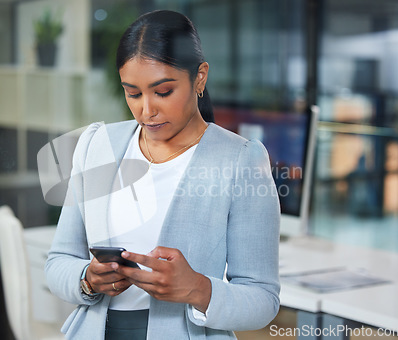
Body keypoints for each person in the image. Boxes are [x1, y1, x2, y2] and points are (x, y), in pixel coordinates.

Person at [45, 9, 280, 339]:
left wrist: (198, 289)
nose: (146, 110)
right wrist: (87, 278)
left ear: (199, 77)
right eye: (133, 93)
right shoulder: (96, 145)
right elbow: (58, 261)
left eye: (163, 91)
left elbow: (263, 299)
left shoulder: (240, 161)